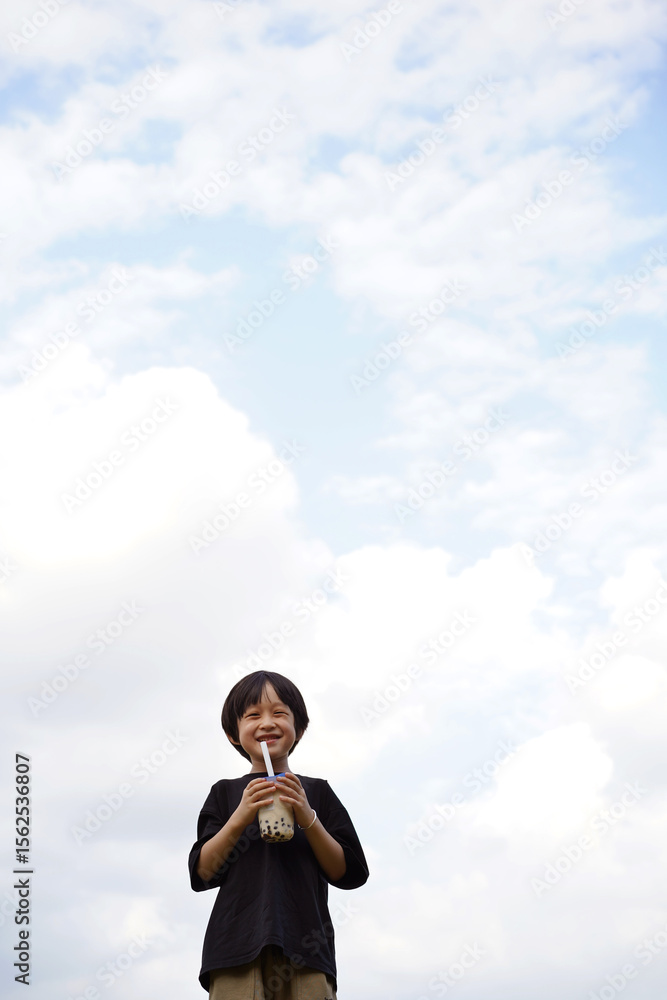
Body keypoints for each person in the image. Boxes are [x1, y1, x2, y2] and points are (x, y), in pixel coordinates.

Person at [188, 669, 369, 998]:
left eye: (280, 713)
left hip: (307, 949)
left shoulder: (316, 792)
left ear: (299, 728)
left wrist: (307, 816)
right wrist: (240, 816)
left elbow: (346, 872)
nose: (267, 723)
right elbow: (203, 872)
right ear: (233, 734)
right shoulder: (225, 793)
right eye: (253, 715)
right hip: (235, 949)